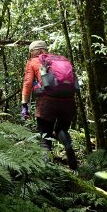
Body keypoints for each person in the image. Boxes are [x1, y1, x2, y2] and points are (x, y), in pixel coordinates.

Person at [21, 40, 78, 170]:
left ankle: (46, 172)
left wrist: (24, 104)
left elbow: (27, 84)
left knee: (45, 138)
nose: (31, 55)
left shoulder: (34, 62)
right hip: (68, 101)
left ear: (36, 51)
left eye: (31, 52)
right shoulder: (62, 59)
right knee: (61, 130)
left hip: (47, 103)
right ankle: (72, 161)